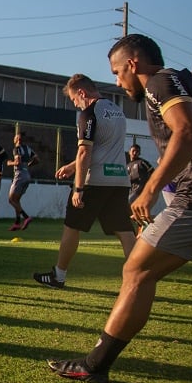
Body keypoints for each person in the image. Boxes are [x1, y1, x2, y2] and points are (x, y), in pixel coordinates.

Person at [48, 34, 192, 383]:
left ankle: (95, 365)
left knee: (137, 271)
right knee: (138, 265)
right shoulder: (186, 80)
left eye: (118, 72)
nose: (118, 83)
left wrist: (149, 190)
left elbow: (187, 132)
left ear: (132, 64)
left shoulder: (160, 82)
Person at [32, 74, 135, 289]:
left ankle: (58, 276)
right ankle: (139, 276)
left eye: (74, 100)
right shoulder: (117, 111)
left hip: (94, 181)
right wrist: (72, 167)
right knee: (125, 231)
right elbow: (103, 147)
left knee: (72, 226)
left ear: (81, 92)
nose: (75, 105)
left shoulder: (88, 113)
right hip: (119, 180)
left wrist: (78, 188)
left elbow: (84, 152)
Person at [6, 132, 38, 230]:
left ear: (15, 140)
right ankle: (17, 222)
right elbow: (37, 159)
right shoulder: (28, 149)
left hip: (19, 175)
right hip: (27, 175)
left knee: (11, 200)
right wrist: (28, 165)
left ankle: (26, 217)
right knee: (16, 200)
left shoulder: (17, 149)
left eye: (17, 138)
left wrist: (9, 163)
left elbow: (17, 162)